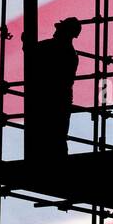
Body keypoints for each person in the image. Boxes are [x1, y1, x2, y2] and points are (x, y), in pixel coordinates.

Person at [24, 16, 82, 160]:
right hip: (60, 100)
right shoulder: (69, 53)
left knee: (48, 136)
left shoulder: (56, 48)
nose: (55, 31)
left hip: (49, 99)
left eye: (59, 29)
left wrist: (26, 40)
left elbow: (31, 53)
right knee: (57, 138)